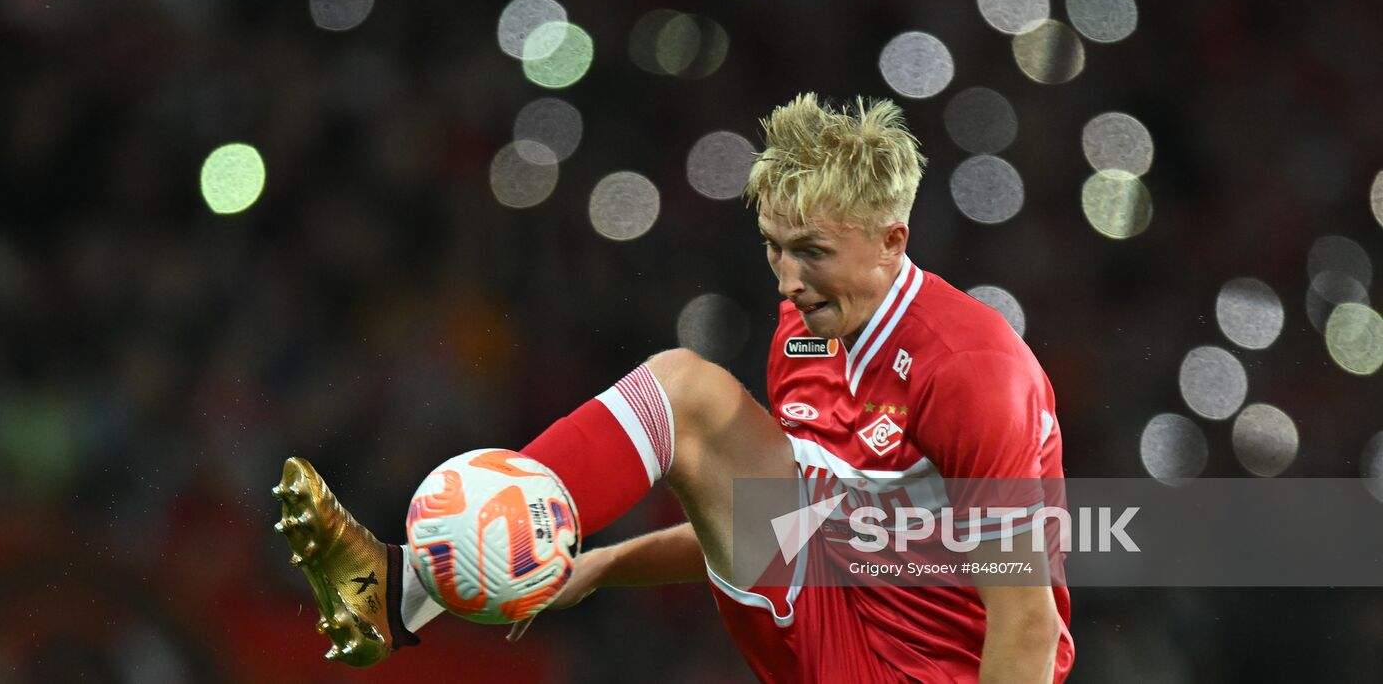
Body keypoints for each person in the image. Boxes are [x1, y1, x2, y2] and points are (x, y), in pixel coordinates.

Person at [273, 93, 1074, 682]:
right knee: (686, 392)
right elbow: (787, 522)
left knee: (691, 392)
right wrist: (604, 564)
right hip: (831, 624)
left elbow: (1028, 624)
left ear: (892, 240)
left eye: (812, 252)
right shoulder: (805, 331)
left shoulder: (973, 373)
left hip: (933, 673)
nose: (788, 280)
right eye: (774, 248)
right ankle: (398, 592)